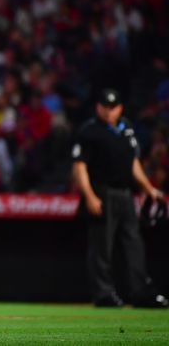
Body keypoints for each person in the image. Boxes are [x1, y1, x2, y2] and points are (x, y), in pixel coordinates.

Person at [72, 88, 168, 308]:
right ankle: (103, 294)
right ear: (97, 107)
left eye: (112, 107)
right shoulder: (89, 131)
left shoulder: (127, 129)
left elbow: (133, 163)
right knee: (102, 246)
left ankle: (141, 292)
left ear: (120, 108)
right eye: (104, 106)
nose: (108, 111)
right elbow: (80, 167)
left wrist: (148, 188)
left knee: (134, 243)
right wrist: (89, 196)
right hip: (101, 192)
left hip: (125, 193)